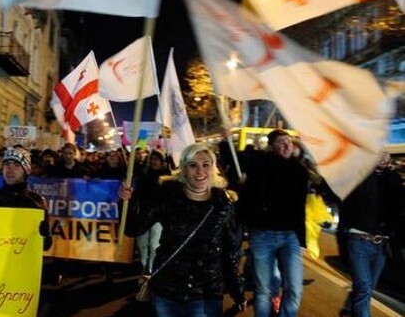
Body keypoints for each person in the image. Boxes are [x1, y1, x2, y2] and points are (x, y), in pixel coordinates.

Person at [119, 144, 246, 316]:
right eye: (193, 165)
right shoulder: (167, 196)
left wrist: (237, 291)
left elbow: (230, 253)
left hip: (206, 293)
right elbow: (133, 229)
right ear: (184, 170)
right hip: (168, 291)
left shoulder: (224, 204)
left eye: (206, 165)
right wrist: (128, 202)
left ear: (213, 168)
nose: (200, 171)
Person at [220, 129, 309, 317]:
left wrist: (302, 240)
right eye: (281, 142)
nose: (286, 145)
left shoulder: (299, 171)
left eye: (289, 142)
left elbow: (300, 208)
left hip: (290, 237)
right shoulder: (259, 163)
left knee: (294, 289)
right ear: (271, 146)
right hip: (262, 235)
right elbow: (233, 158)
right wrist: (226, 140)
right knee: (263, 291)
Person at [338, 151, 403, 317]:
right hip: (359, 241)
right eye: (379, 157)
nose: (382, 160)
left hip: (381, 244)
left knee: (366, 288)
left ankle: (348, 311)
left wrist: (389, 175)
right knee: (364, 287)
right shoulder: (360, 178)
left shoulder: (392, 180)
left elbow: (398, 205)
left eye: (386, 158)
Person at [0, 147, 52, 251]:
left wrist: (44, 234)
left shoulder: (35, 202)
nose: (10, 169)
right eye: (7, 164)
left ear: (26, 171)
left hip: (21, 262)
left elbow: (46, 246)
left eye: (17, 165)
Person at [133, 148, 171, 275]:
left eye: (156, 159)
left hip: (159, 217)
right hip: (143, 215)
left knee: (154, 245)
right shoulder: (142, 177)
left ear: (161, 162)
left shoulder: (167, 178)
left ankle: (151, 269)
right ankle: (143, 265)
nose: (153, 162)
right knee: (142, 244)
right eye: (151, 159)